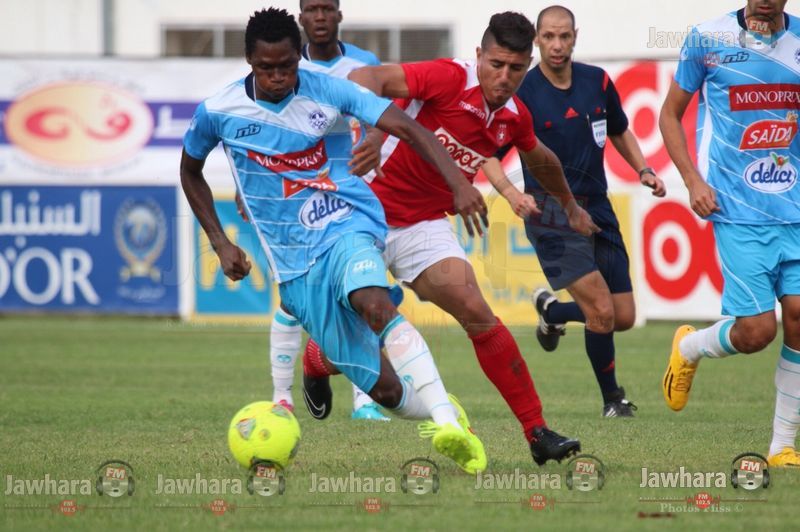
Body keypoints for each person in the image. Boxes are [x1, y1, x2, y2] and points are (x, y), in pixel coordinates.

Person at [181, 7, 487, 473]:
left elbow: (409, 127)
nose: (278, 77)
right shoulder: (218, 112)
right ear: (249, 61)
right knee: (386, 390)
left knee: (375, 303)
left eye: (287, 66)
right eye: (266, 68)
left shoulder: (330, 89)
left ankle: (445, 421)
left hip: (347, 223)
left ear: (298, 57)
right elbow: (190, 171)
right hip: (294, 264)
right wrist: (220, 242)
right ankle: (447, 415)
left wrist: (459, 183)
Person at [316, 11, 598, 466]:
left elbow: (542, 159)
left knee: (477, 312)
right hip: (362, 212)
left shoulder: (513, 117)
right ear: (479, 55)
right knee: (366, 324)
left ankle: (537, 431)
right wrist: (374, 131)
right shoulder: (448, 78)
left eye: (516, 68)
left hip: (422, 224)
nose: (504, 77)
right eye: (496, 64)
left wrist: (570, 207)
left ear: (528, 65)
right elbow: (367, 78)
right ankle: (317, 360)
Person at [484, 5, 666, 418]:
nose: (557, 45)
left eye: (564, 36)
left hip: (597, 206)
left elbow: (619, 130)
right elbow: (489, 154)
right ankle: (613, 400)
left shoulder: (596, 81)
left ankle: (553, 312)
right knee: (601, 310)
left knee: (622, 316)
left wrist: (643, 169)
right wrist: (511, 195)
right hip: (551, 214)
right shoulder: (522, 94)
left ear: (575, 37)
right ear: (537, 40)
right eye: (548, 36)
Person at [659, 0, 800, 466]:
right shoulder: (708, 39)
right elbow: (669, 115)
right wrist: (693, 182)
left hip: (796, 208)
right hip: (738, 209)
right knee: (757, 332)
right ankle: (690, 347)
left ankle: (782, 447)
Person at [240, 0, 391, 422]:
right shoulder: (281, 66)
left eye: (327, 8)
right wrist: (245, 188)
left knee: (364, 293)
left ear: (340, 14)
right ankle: (281, 398)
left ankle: (365, 399)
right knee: (292, 303)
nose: (320, 16)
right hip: (294, 198)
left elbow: (379, 115)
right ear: (301, 17)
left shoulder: (364, 64)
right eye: (312, 9)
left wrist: (375, 139)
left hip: (350, 192)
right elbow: (254, 134)